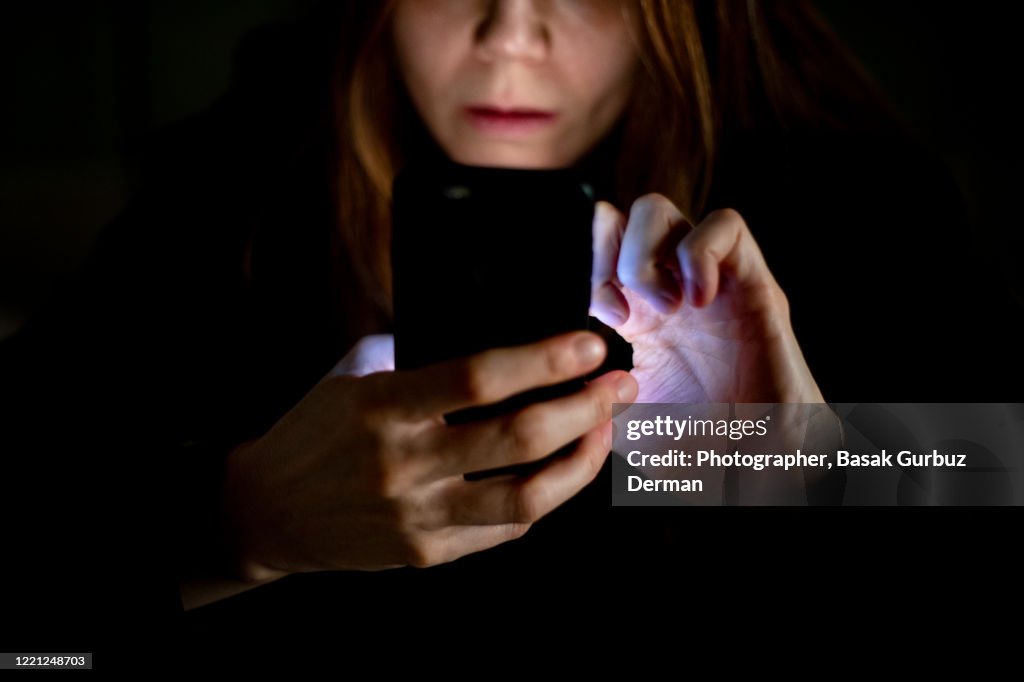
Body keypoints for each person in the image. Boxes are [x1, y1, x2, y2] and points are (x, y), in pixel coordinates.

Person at [2, 0, 1021, 659]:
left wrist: (799, 465)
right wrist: (234, 521)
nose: (509, 29)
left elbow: (988, 471)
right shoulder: (245, 183)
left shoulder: (841, 198)